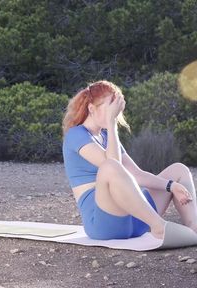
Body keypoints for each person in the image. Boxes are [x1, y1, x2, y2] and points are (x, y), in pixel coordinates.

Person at [62, 80, 197, 240]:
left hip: (135, 220)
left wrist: (171, 185)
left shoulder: (107, 137)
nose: (115, 114)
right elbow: (113, 164)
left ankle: (193, 229)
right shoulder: (76, 135)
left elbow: (137, 175)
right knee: (110, 166)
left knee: (179, 170)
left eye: (116, 110)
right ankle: (158, 226)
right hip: (104, 223)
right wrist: (112, 124)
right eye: (110, 109)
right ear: (91, 109)